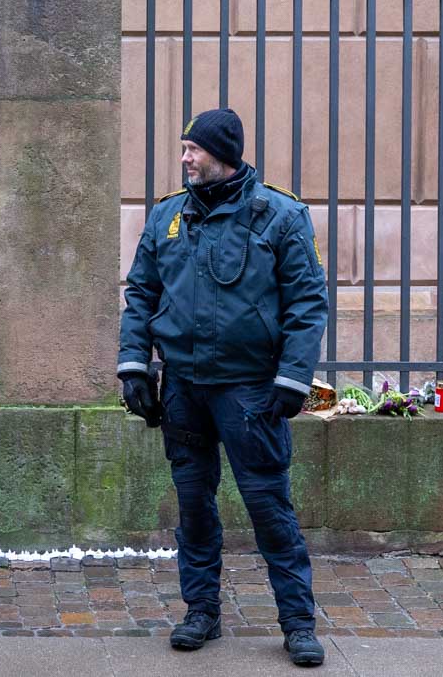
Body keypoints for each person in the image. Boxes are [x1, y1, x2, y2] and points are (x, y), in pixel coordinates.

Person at [117, 108, 328, 666]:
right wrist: (134, 365)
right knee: (193, 507)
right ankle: (201, 611)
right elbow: (141, 293)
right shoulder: (168, 216)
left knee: (268, 507)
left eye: (193, 149)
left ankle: (298, 623)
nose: (184, 158)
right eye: (184, 149)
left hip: (250, 392)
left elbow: (308, 305)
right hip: (184, 388)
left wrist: (292, 379)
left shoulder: (280, 216)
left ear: (222, 154)